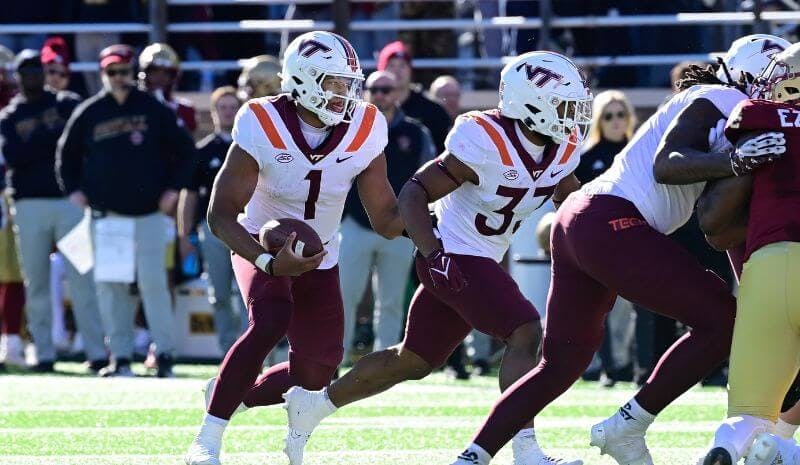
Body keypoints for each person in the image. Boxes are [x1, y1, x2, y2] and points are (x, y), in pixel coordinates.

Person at [439, 34, 789, 465]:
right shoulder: (718, 96)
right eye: (780, 80)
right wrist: (735, 162)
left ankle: (472, 456)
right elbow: (668, 162)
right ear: (752, 75)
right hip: (610, 220)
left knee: (561, 363)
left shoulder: (723, 106)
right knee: (721, 319)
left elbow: (718, 229)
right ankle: (628, 424)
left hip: (584, 221)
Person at [282, 50, 593, 465]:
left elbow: (567, 193)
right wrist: (433, 254)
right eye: (562, 105)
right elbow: (414, 191)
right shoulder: (485, 138)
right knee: (524, 331)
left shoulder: (561, 148)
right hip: (455, 254)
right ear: (530, 104)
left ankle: (314, 405)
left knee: (412, 360)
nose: (571, 116)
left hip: (481, 257)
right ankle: (518, 451)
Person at [184, 31, 405, 465]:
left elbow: (384, 216)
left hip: (321, 252)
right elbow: (220, 214)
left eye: (349, 83)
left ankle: (232, 392)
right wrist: (268, 260)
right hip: (260, 242)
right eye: (334, 83)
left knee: (318, 369)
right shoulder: (262, 120)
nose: (345, 95)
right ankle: (207, 438)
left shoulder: (366, 124)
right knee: (270, 319)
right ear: (303, 81)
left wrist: (430, 225)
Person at [56, 44, 198, 378]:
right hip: (107, 217)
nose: (119, 78)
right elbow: (66, 155)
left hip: (147, 214)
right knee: (112, 287)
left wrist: (172, 190)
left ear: (133, 73)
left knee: (153, 285)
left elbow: (186, 152)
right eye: (112, 72)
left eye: (124, 72)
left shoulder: (152, 108)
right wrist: (73, 191)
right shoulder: (90, 111)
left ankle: (164, 354)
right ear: (103, 74)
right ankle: (119, 356)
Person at [696, 42, 800, 465]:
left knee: (747, 414)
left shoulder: (755, 114)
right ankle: (786, 451)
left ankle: (726, 446)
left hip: (765, 266)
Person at [0, 49, 107, 373]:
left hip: (68, 202)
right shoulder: (9, 115)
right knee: (36, 282)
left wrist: (46, 145)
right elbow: (17, 155)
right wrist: (55, 143)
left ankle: (96, 352)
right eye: (26, 70)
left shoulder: (67, 103)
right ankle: (43, 353)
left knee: (83, 279)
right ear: (17, 76)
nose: (32, 75)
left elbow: (83, 143)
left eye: (37, 69)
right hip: (29, 203)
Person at [339, 70, 435, 363]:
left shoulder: (416, 132)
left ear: (397, 93)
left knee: (392, 301)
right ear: (365, 92)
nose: (380, 95)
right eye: (374, 89)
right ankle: (334, 360)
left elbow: (428, 180)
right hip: (355, 224)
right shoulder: (350, 128)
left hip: (399, 228)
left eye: (386, 89)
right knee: (344, 296)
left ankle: (383, 364)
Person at [575, 89, 637, 387]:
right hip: (599, 241)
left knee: (629, 307)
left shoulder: (638, 151)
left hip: (636, 238)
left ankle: (626, 364)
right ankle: (602, 365)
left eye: (620, 114)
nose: (615, 121)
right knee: (600, 307)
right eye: (609, 115)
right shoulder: (587, 158)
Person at [178, 86, 245, 354]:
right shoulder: (203, 151)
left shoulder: (252, 147)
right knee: (218, 295)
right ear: (214, 112)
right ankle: (228, 353)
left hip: (247, 228)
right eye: (223, 107)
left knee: (247, 295)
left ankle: (250, 352)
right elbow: (189, 195)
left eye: (233, 107)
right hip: (214, 229)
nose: (228, 112)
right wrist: (184, 235)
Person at [377, 41, 452, 154]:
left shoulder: (432, 110)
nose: (397, 70)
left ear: (410, 70)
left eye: (402, 65)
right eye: (391, 65)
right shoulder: (369, 111)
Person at [138, 42, 197, 134]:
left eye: (166, 72)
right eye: (154, 71)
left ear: (173, 76)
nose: (159, 77)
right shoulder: (134, 107)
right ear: (145, 73)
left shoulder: (185, 110)